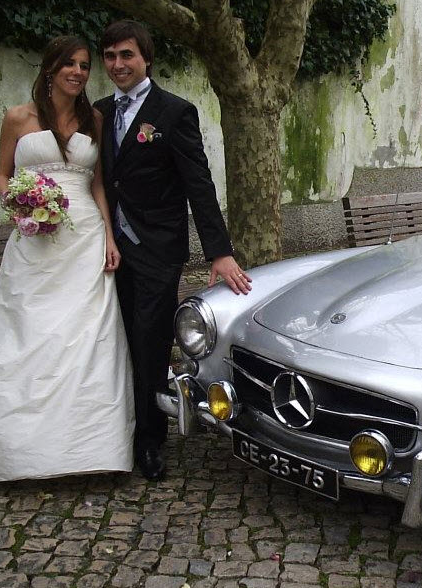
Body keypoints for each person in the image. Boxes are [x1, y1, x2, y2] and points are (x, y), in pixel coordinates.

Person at [0, 36, 134, 483]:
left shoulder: (93, 118)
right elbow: (2, 176)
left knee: (86, 337)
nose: (78, 72)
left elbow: (97, 185)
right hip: (35, 238)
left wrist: (110, 238)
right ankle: (16, 447)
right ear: (50, 69)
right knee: (28, 330)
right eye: (69, 64)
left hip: (85, 239)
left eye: (84, 65)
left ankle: (90, 447)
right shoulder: (19, 117)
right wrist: (19, 206)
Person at [96, 20, 251, 481]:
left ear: (146, 58)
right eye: (110, 56)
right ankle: (110, 429)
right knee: (111, 338)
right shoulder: (100, 112)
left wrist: (218, 252)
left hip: (156, 248)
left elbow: (197, 185)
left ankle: (148, 441)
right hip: (105, 247)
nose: (118, 64)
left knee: (148, 342)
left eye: (126, 55)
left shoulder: (175, 112)